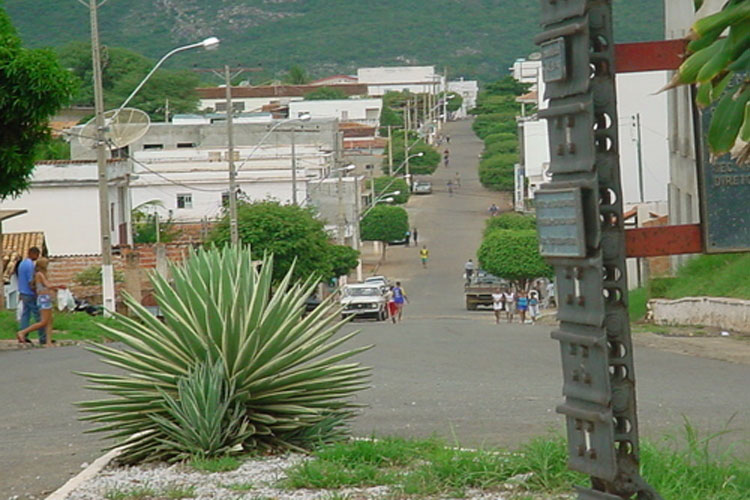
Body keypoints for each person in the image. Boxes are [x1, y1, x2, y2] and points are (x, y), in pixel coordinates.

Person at [16, 257, 64, 346]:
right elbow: (47, 285)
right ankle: (23, 332)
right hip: (43, 299)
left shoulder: (42, 274)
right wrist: (57, 286)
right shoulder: (39, 274)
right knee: (44, 321)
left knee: (49, 321)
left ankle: (48, 341)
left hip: (46, 298)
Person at [16, 246, 45, 345]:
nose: (37, 257)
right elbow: (30, 281)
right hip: (29, 293)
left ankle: (23, 334)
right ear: (33, 254)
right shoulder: (30, 265)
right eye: (37, 255)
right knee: (39, 316)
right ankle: (43, 337)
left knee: (26, 314)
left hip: (23, 292)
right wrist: (36, 292)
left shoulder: (22, 263)